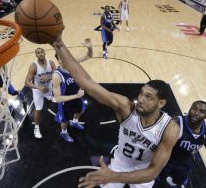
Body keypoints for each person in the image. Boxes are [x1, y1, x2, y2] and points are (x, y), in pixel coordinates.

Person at [51, 36, 180, 188]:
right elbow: (89, 84)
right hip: (119, 164)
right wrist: (59, 44)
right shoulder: (126, 108)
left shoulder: (169, 129)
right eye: (141, 93)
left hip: (143, 173)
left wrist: (113, 176)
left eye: (148, 97)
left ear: (161, 103)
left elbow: (152, 172)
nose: (141, 99)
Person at [153, 101, 206, 188]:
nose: (196, 113)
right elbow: (160, 142)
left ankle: (172, 182)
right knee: (158, 178)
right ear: (190, 108)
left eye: (201, 111)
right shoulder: (175, 123)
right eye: (194, 109)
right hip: (168, 159)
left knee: (178, 181)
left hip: (186, 161)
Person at [52, 38, 93, 143]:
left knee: (81, 110)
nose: (64, 60)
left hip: (77, 95)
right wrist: (76, 96)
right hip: (65, 101)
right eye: (61, 58)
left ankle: (75, 122)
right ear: (58, 60)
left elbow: (88, 56)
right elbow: (57, 98)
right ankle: (64, 132)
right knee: (64, 120)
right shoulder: (57, 76)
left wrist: (89, 48)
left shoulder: (71, 63)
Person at [25, 48, 56, 139]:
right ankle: (36, 128)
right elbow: (26, 82)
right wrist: (39, 88)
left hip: (48, 87)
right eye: (38, 53)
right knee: (38, 109)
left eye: (42, 52)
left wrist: (50, 77)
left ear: (44, 53)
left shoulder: (51, 62)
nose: (40, 54)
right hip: (38, 90)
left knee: (53, 96)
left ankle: (48, 96)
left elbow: (56, 73)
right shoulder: (34, 66)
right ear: (36, 55)